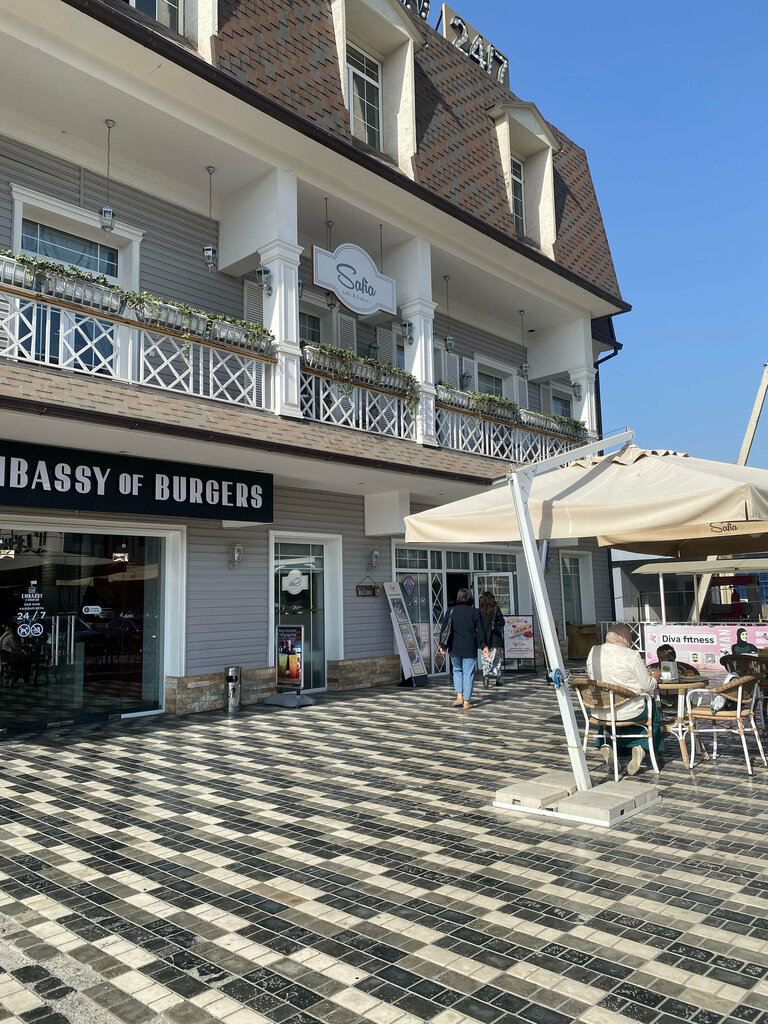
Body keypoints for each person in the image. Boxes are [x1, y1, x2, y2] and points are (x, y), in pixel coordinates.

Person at [586, 623, 663, 776]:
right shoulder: (631, 655)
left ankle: (606, 744)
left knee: (610, 714)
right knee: (652, 712)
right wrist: (655, 678)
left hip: (600, 711)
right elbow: (648, 686)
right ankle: (641, 748)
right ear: (624, 637)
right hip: (630, 711)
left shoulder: (593, 652)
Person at [439, 589, 489, 710]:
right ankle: (467, 701)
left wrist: (443, 646)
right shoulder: (475, 612)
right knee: (468, 673)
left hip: (454, 646)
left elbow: (444, 629)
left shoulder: (451, 611)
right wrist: (484, 646)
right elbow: (481, 630)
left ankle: (459, 697)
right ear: (470, 598)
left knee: (457, 670)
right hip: (469, 646)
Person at [479, 591, 505, 687]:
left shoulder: (480, 611)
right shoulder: (495, 609)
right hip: (495, 637)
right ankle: (498, 679)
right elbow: (502, 622)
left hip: (484, 639)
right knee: (497, 659)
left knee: (486, 658)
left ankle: (486, 676)